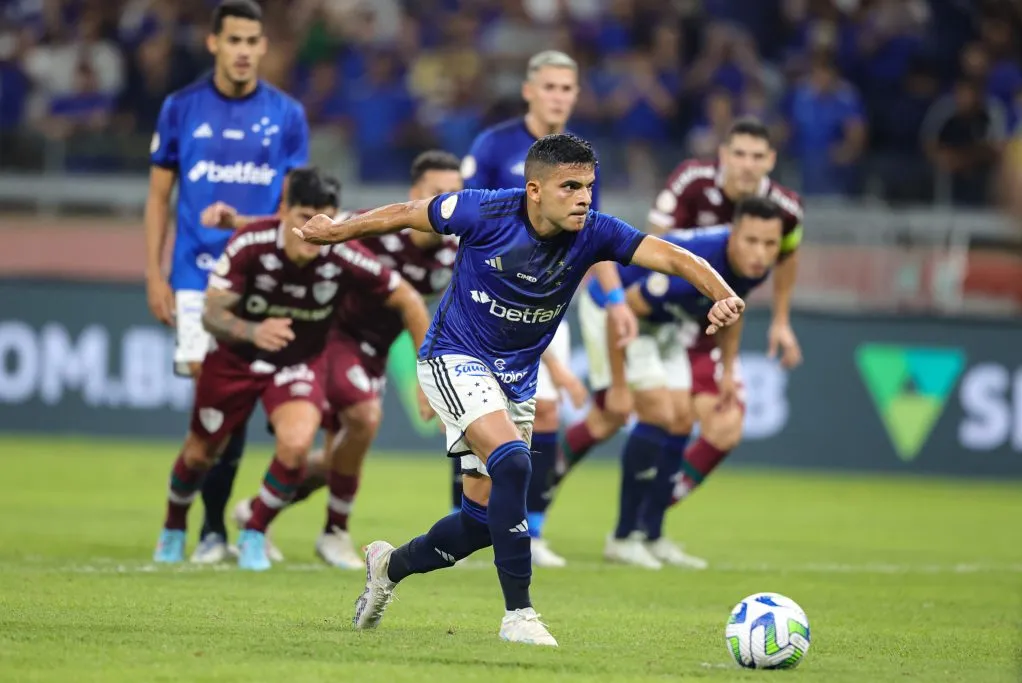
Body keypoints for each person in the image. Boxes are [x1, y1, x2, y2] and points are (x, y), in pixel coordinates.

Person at [292, 133, 744, 645]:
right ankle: (519, 615)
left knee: (480, 522)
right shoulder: (483, 212)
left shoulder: (595, 233)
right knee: (513, 461)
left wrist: (722, 294)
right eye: (570, 186)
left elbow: (674, 256)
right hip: (454, 356)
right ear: (534, 190)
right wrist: (336, 231)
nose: (583, 198)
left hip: (516, 378)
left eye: (589, 187)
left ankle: (387, 567)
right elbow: (404, 211)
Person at [201, 150, 464, 568]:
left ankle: (259, 512)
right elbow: (305, 228)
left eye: (456, 193)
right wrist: (237, 224)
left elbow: (425, 308)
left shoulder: (457, 248)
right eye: (438, 193)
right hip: (334, 337)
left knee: (332, 458)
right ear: (416, 194)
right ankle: (333, 531)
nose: (449, 202)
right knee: (364, 418)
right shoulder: (381, 224)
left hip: (375, 352)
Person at [552, 117, 804, 517]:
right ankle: (554, 504)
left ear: (771, 161)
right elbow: (655, 249)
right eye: (738, 153)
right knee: (629, 414)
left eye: (757, 156)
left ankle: (647, 521)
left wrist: (781, 321)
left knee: (720, 424)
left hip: (706, 317)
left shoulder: (783, 210)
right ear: (723, 155)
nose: (746, 164)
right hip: (662, 303)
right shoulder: (692, 182)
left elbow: (782, 262)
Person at [152, 166, 397, 570]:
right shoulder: (252, 241)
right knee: (200, 454)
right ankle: (174, 525)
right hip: (234, 360)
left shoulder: (342, 249)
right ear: (284, 210)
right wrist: (251, 329)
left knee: (298, 444)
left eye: (325, 219)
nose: (314, 230)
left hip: (296, 363)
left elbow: (400, 292)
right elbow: (211, 312)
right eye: (304, 217)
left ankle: (256, 530)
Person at [144, 0, 309, 564]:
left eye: (251, 41)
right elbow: (158, 197)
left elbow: (293, 206)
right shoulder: (180, 107)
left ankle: (215, 526)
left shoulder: (287, 114)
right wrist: (155, 273)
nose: (242, 51)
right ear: (214, 43)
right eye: (233, 40)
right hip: (194, 276)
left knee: (238, 399)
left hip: (260, 277)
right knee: (214, 392)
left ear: (264, 47)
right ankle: (210, 525)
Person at [460, 49, 631, 567]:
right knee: (481, 416)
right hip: (490, 300)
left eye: (567, 88)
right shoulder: (495, 146)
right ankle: (470, 519)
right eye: (550, 86)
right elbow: (465, 216)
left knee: (547, 413)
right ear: (530, 90)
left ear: (576, 95)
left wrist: (616, 299)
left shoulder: (576, 160)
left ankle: (531, 527)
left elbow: (596, 237)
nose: (558, 95)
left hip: (549, 299)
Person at [578, 198, 783, 569]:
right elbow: (624, 310)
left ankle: (652, 535)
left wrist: (727, 372)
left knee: (682, 417)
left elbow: (733, 309)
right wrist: (621, 386)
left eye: (770, 244)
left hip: (664, 323)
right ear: (732, 235)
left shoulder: (754, 267)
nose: (760, 253)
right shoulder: (691, 265)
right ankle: (622, 537)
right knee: (657, 410)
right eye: (752, 241)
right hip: (617, 309)